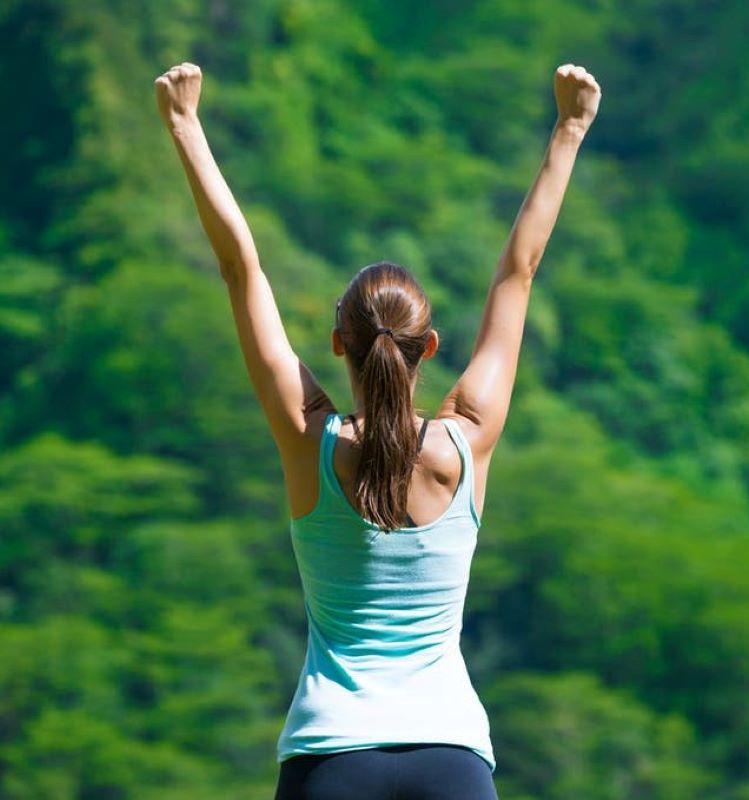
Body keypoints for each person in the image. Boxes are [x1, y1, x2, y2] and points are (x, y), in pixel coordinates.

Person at [155, 59, 600, 800]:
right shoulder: (468, 440)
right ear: (428, 347)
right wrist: (570, 128)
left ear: (339, 346)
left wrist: (185, 126)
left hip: (331, 758)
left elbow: (242, 269)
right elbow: (518, 273)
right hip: (453, 761)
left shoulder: (310, 438)